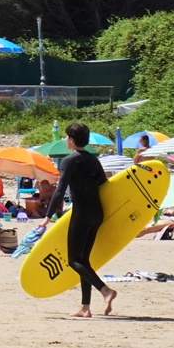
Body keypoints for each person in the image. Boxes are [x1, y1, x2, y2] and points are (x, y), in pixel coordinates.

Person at [44, 122, 116, 318]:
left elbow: (60, 190)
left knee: (73, 260)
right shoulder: (94, 160)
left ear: (72, 140)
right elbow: (105, 185)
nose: (66, 140)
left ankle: (106, 291)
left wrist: (47, 216)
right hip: (97, 213)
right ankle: (85, 307)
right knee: (84, 260)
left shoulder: (69, 161)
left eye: (67, 137)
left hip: (82, 213)